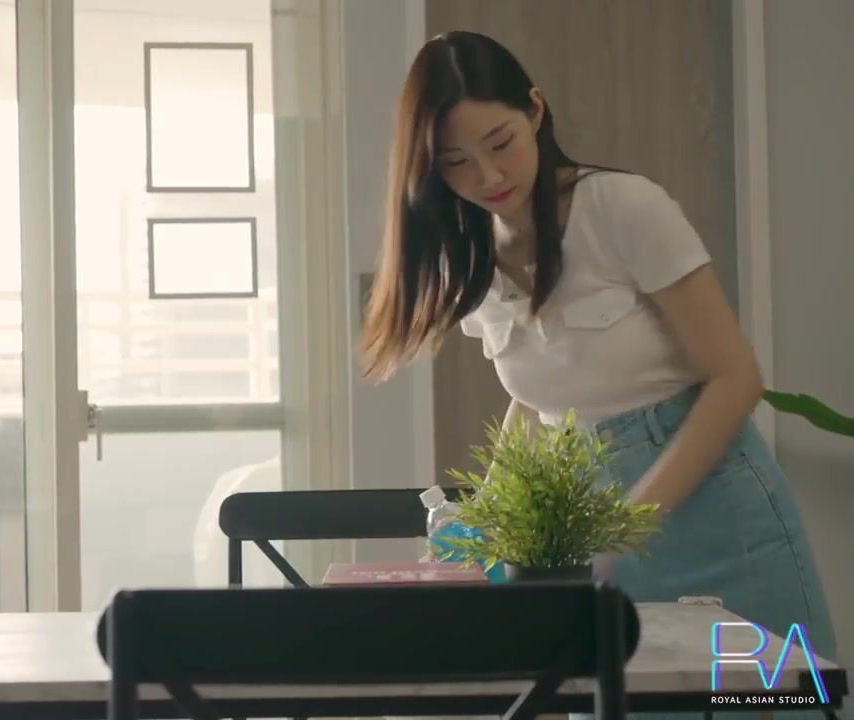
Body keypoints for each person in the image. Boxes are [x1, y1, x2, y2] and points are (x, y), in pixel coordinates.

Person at [359, 30, 841, 720]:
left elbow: (736, 376)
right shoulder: (472, 256)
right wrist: (487, 520)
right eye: (457, 163)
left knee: (761, 702)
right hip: (592, 535)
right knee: (621, 705)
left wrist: (632, 521)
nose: (489, 177)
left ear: (535, 110)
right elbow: (539, 404)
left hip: (719, 519)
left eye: (500, 143)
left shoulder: (622, 207)